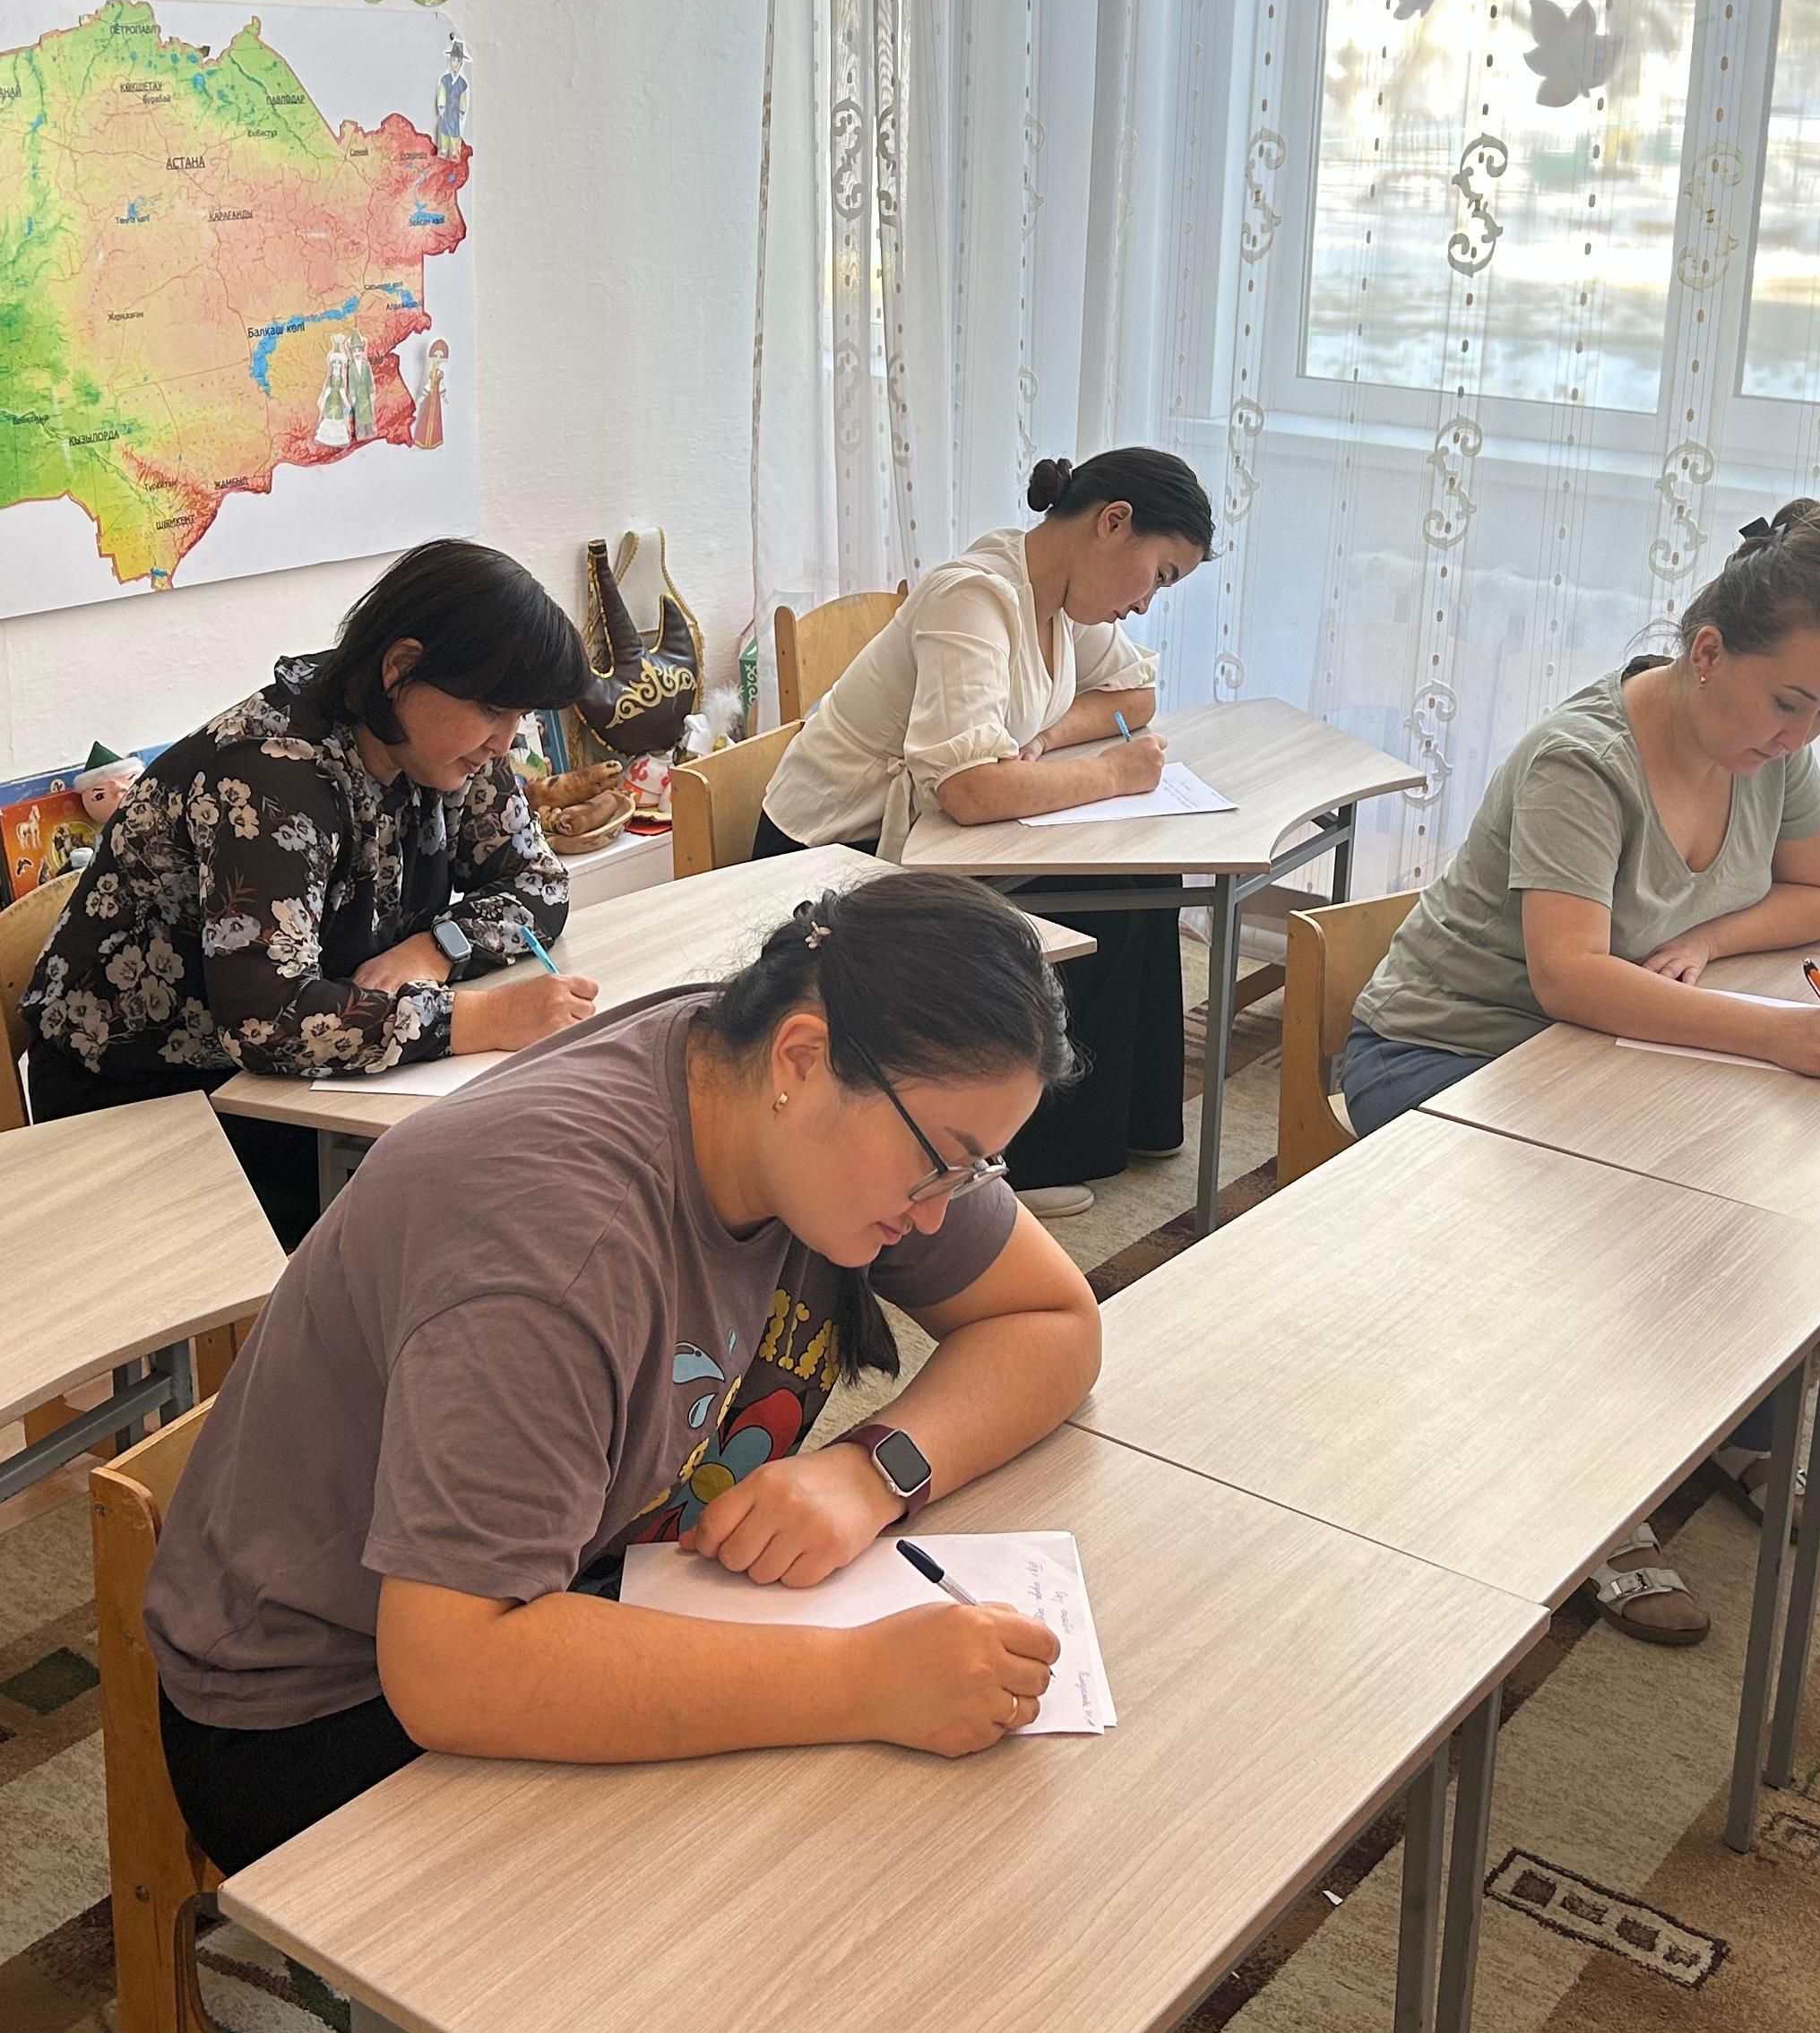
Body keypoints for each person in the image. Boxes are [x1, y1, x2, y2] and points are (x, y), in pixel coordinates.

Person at [141, 867, 1103, 1869]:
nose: (941, 1214)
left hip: (582, 1583)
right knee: (816, 1875)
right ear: (802, 1059)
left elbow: (1051, 1319)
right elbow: (452, 1671)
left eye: (974, 1171)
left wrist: (872, 1472)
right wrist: (860, 1680)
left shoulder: (765, 1082)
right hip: (322, 1709)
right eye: (942, 1163)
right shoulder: (557, 1250)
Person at [1339, 499, 1820, 1643]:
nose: (1801, 736)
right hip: (1446, 1048)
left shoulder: (1766, 751)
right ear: (1708, 654)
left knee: (1750, 1180)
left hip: (1595, 1045)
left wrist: (1710, 938)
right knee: (1596, 1220)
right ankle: (1593, 1509)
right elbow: (1569, 979)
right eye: (1790, 703)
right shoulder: (1581, 760)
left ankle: (1738, 1424)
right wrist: (1771, 1033)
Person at [23, 538, 603, 1246]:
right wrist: (480, 1018)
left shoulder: (444, 749)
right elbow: (267, 1020)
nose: (505, 742)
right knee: (451, 1207)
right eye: (491, 710)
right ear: (401, 668)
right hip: (146, 1098)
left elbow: (537, 883)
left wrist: (436, 947)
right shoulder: (271, 776)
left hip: (290, 1078)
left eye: (518, 717)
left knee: (502, 1168)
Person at [756, 447, 1214, 1219]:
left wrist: (1049, 736)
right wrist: (1111, 774)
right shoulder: (973, 597)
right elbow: (968, 791)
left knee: (1145, 877)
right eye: (1160, 576)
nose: (1145, 605)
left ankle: (1133, 1123)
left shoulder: (1061, 601)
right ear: (1113, 523)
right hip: (832, 859)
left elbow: (1135, 692)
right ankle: (1029, 1161)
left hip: (929, 835)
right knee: (1093, 899)